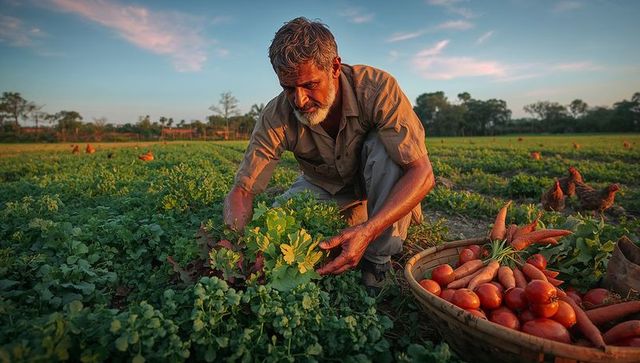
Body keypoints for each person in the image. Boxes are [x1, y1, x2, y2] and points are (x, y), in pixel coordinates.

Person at [223, 17, 435, 292]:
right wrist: (234, 242)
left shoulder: (376, 88)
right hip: (322, 185)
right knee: (275, 227)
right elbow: (243, 190)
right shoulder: (276, 114)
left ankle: (377, 260)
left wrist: (369, 231)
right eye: (288, 88)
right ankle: (356, 217)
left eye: (309, 85)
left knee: (386, 150)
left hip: (378, 183)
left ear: (334, 67)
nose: (299, 100)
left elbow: (422, 172)